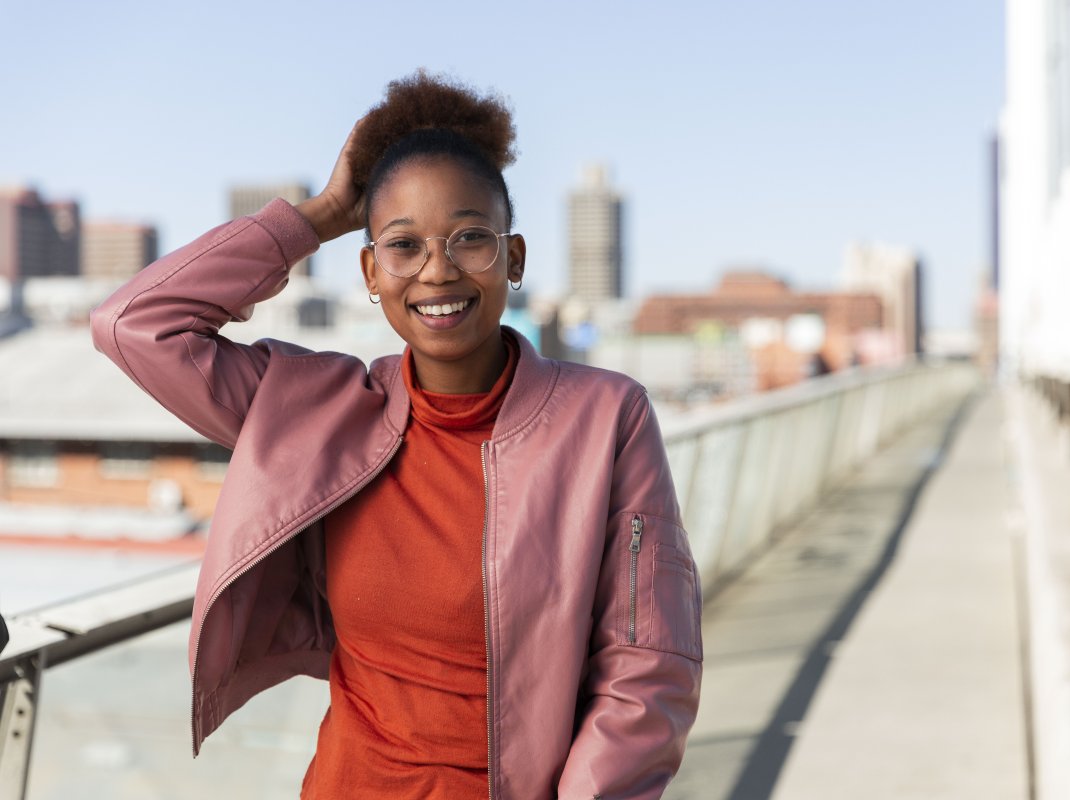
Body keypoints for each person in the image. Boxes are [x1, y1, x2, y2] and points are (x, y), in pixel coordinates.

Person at [91, 72, 702, 799]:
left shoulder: (606, 419)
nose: (438, 270)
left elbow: (646, 668)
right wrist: (316, 217)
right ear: (370, 272)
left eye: (471, 238)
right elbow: (133, 324)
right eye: (404, 246)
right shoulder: (315, 410)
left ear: (515, 258)